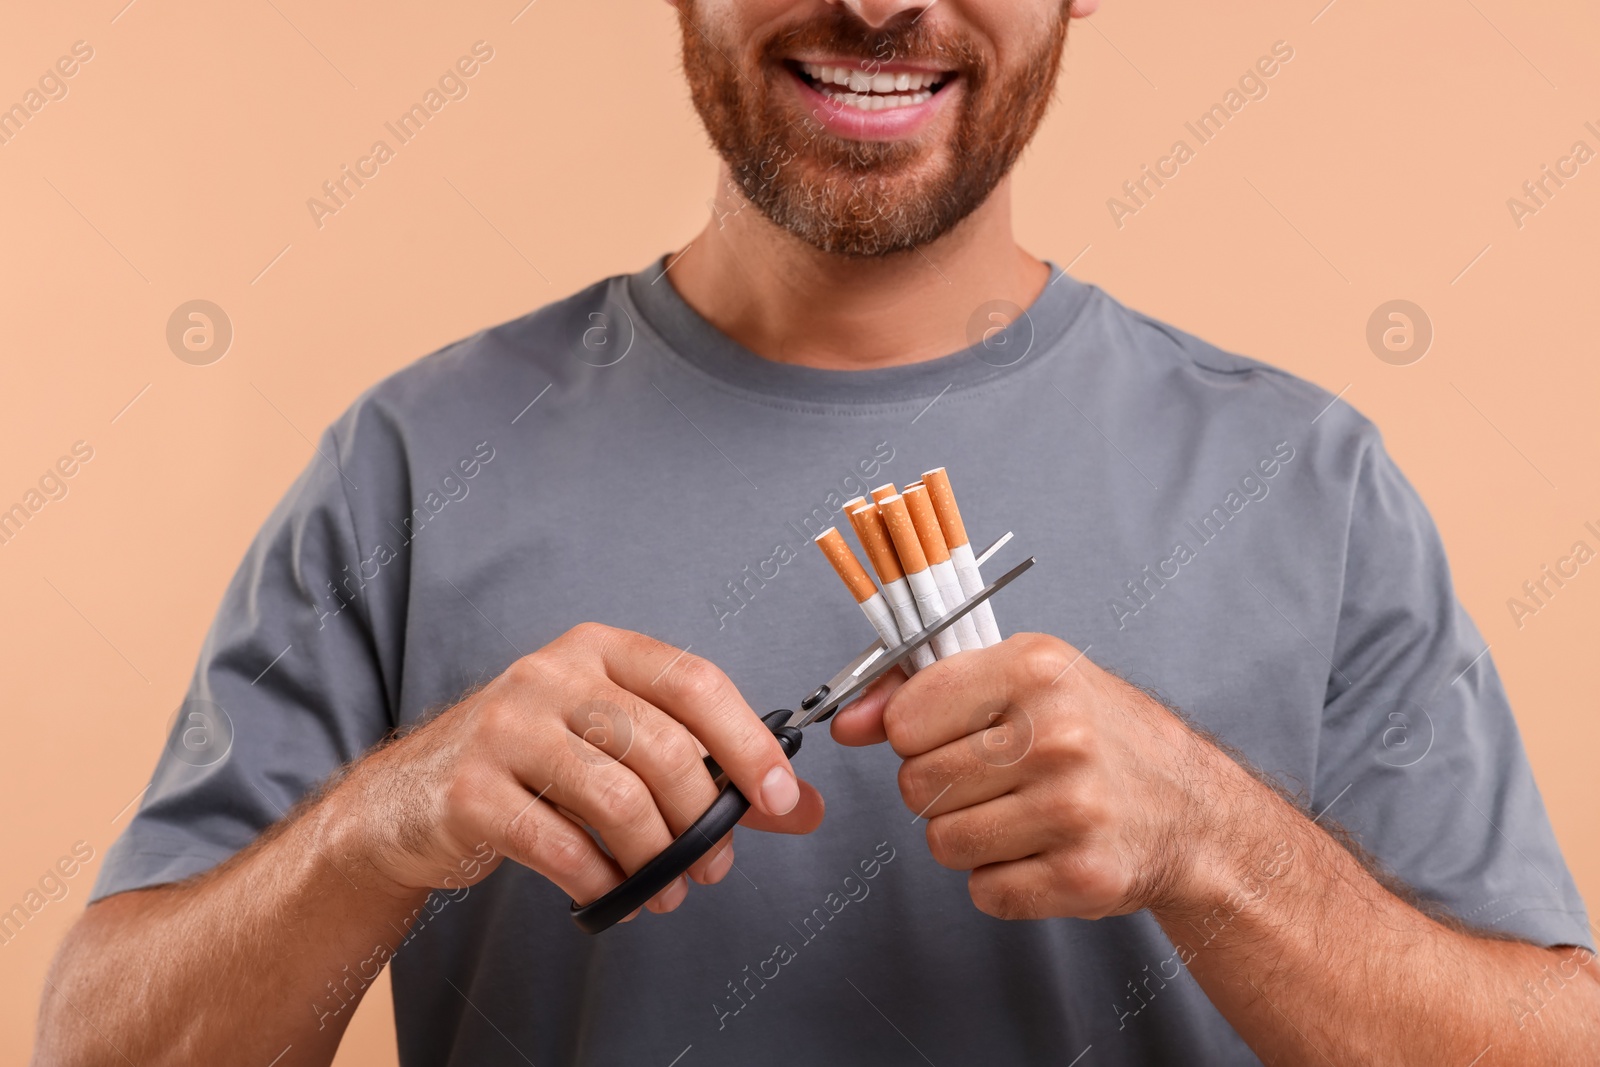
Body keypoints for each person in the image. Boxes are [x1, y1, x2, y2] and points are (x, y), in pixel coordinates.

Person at [35, 0, 1598, 1063]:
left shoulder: (1304, 480)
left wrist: (1212, 843)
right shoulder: (412, 461)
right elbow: (100, 1044)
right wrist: (393, 819)